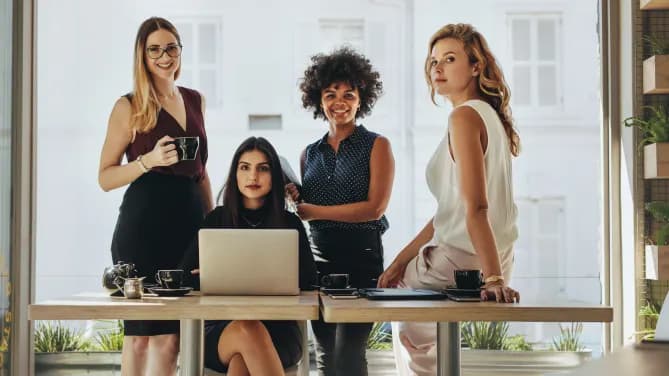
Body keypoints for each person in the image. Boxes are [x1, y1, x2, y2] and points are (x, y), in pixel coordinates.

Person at [377, 23, 521, 376]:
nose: (437, 68)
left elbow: (476, 207)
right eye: (433, 61)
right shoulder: (490, 117)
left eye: (450, 58)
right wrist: (401, 259)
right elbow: (451, 211)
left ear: (476, 66)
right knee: (429, 338)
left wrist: (493, 281)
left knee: (411, 333)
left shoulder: (464, 117)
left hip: (462, 259)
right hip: (494, 254)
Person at [98, 17, 213, 375]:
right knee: (140, 336)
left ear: (180, 51)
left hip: (188, 226)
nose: (164, 56)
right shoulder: (128, 106)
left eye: (171, 47)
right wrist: (147, 161)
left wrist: (212, 226)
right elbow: (105, 177)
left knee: (172, 337)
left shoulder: (195, 100)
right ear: (142, 56)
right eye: (154, 50)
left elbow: (201, 171)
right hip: (143, 225)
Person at [287, 46, 395, 376]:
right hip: (318, 263)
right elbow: (312, 205)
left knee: (349, 355)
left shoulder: (377, 145)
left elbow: (374, 209)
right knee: (325, 357)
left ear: (362, 100)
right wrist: (296, 195)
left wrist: (313, 210)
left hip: (362, 260)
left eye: (349, 94)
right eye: (331, 94)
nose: (340, 102)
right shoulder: (309, 153)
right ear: (318, 99)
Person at [180, 136, 318, 375]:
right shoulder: (217, 219)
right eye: (245, 167)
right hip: (221, 329)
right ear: (235, 174)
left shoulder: (289, 223)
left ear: (274, 175)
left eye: (262, 169)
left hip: (280, 329)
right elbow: (183, 276)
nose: (253, 176)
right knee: (247, 329)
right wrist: (209, 276)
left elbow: (309, 279)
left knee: (242, 359)